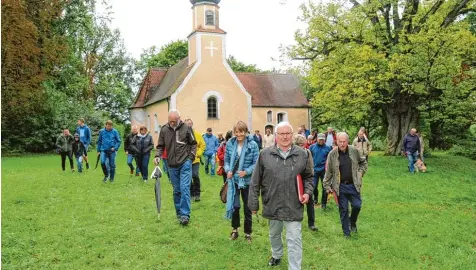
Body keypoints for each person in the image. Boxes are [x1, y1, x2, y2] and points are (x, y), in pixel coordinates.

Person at [249, 122, 314, 269]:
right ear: (276, 136)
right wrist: (253, 204)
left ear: (292, 135)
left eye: (287, 133)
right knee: (274, 235)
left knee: (294, 239)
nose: (285, 137)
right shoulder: (265, 154)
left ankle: (294, 267)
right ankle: (277, 254)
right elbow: (255, 181)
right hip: (272, 203)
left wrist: (307, 193)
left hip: (294, 204)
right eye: (281, 134)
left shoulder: (303, 154)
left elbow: (309, 177)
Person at [154, 110, 197, 226]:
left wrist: (190, 158)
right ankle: (179, 213)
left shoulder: (187, 128)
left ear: (179, 118)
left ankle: (185, 215)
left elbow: (193, 144)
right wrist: (157, 156)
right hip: (171, 165)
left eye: (174, 121)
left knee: (184, 188)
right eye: (170, 121)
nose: (172, 123)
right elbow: (160, 146)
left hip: (185, 163)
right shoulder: (164, 129)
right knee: (177, 190)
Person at [323, 132, 367, 238]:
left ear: (348, 141)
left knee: (357, 206)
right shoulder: (332, 154)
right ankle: (346, 233)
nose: (342, 144)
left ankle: (352, 222)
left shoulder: (354, 151)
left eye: (344, 142)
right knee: (344, 209)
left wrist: (360, 173)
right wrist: (327, 185)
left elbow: (363, 163)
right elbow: (328, 172)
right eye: (340, 141)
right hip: (340, 186)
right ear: (336, 141)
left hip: (353, 185)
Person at [224, 121, 259, 242]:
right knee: (235, 206)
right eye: (237, 132)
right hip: (233, 180)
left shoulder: (253, 144)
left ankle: (248, 232)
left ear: (245, 132)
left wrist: (247, 171)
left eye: (241, 131)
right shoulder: (230, 143)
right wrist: (228, 170)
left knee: (247, 207)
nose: (239, 134)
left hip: (247, 181)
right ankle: (235, 230)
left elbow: (256, 163)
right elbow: (226, 161)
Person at [294, 134, 317, 231]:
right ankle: (295, 222)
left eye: (304, 144)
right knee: (295, 201)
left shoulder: (307, 152)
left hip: (306, 179)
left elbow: (310, 169)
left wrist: (308, 189)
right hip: (294, 180)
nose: (302, 147)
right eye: (300, 145)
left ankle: (311, 224)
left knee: (309, 201)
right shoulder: (291, 153)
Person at [184, 118, 205, 202]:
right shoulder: (183, 135)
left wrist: (199, 153)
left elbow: (202, 145)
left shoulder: (197, 135)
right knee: (188, 177)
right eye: (186, 124)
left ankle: (197, 193)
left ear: (192, 124)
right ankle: (191, 193)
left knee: (195, 175)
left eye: (190, 123)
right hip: (185, 160)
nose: (188, 125)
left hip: (195, 159)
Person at [309, 133, 332, 209]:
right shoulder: (312, 147)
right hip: (314, 170)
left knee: (324, 187)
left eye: (322, 139)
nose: (321, 141)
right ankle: (315, 198)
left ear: (324, 139)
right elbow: (309, 158)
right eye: (320, 139)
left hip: (324, 170)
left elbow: (330, 160)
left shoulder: (328, 148)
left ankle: (323, 203)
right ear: (317, 139)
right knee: (314, 186)